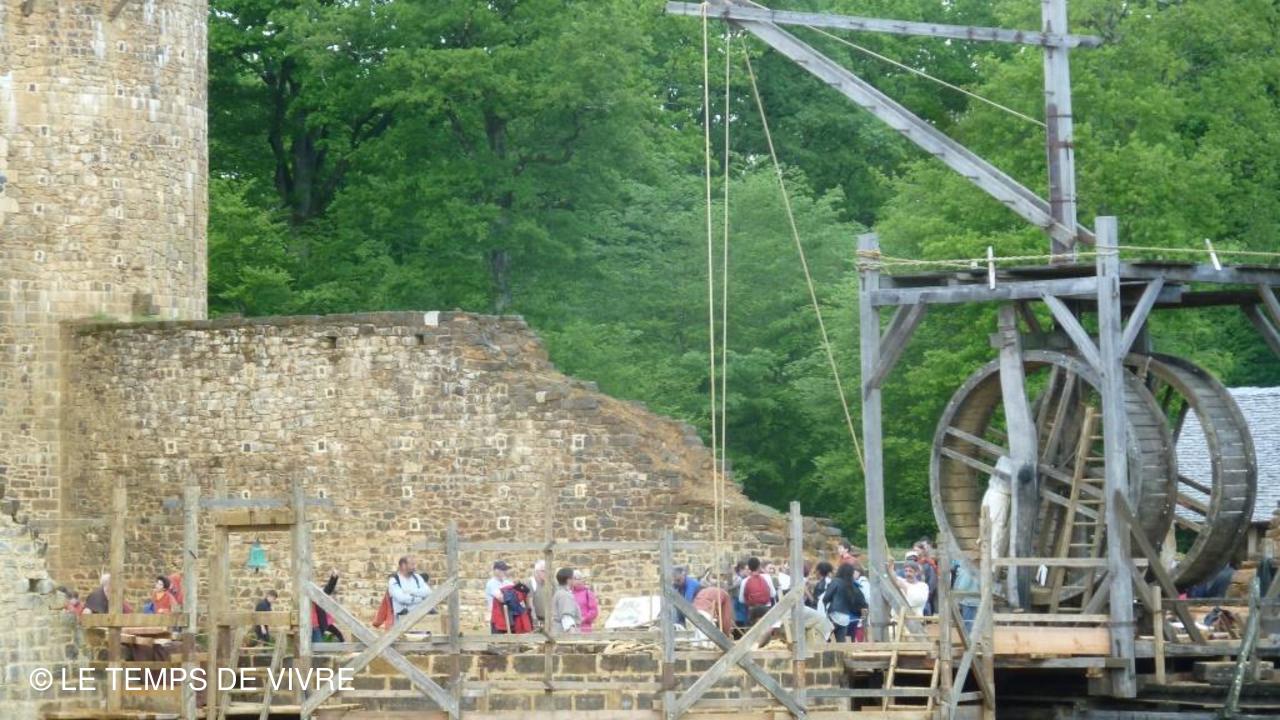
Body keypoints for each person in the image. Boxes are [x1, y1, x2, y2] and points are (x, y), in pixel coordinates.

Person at [823, 563, 867, 642]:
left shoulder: (836, 581)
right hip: (845, 618)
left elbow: (826, 598)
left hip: (834, 614)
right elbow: (862, 602)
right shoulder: (852, 585)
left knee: (824, 638)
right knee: (841, 642)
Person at [388, 556, 433, 623]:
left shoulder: (417, 577)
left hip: (420, 619)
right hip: (402, 621)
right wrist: (421, 599)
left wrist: (410, 592)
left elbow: (428, 592)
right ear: (403, 565)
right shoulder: (394, 580)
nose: (415, 567)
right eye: (412, 564)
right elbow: (402, 598)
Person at [738, 557, 776, 621]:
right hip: (766, 608)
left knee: (754, 627)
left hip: (753, 610)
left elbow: (741, 600)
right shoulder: (767, 577)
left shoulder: (745, 581)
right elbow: (773, 594)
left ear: (749, 568)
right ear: (759, 566)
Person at [311, 569, 344, 642]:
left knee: (339, 636)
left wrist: (334, 578)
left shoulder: (317, 596)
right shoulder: (305, 596)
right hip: (312, 626)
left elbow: (328, 589)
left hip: (318, 625)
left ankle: (343, 645)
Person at [551, 567, 581, 633]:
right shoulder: (564, 595)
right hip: (563, 634)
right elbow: (567, 618)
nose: (574, 580)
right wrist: (573, 634)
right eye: (573, 578)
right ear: (568, 580)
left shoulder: (561, 592)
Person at [485, 561, 511, 632]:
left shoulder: (507, 582)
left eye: (505, 569)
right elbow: (501, 598)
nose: (504, 571)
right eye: (502, 569)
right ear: (495, 570)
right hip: (496, 617)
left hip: (508, 616)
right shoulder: (491, 583)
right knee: (498, 637)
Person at [527, 560, 552, 629]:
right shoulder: (531, 583)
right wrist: (536, 622)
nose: (546, 573)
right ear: (536, 571)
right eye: (543, 571)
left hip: (549, 620)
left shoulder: (548, 583)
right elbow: (530, 605)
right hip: (537, 620)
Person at [730, 561, 750, 630]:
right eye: (747, 569)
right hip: (738, 608)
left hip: (743, 608)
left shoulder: (744, 579)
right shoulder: (738, 579)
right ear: (741, 569)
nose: (749, 571)